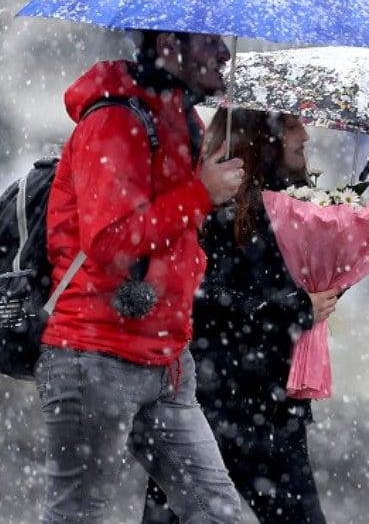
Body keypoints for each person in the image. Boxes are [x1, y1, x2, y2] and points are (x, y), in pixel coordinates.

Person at [38, 30, 245, 523]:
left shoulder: (181, 120)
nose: (223, 52)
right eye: (208, 41)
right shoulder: (114, 120)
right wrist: (200, 194)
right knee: (78, 516)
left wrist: (214, 198)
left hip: (167, 360)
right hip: (95, 355)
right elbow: (109, 241)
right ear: (170, 44)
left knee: (216, 513)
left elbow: (172, 232)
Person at [142, 108, 338, 524]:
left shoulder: (295, 205)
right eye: (291, 125)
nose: (304, 134)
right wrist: (294, 308)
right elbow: (204, 300)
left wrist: (328, 284)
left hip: (270, 407)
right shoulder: (212, 205)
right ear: (260, 136)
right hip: (208, 403)